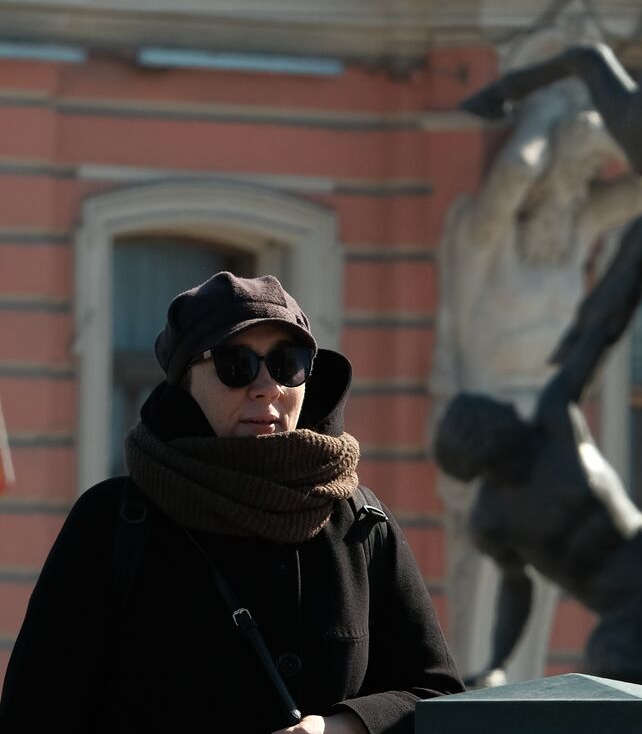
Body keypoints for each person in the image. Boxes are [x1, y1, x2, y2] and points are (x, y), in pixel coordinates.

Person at [0, 272, 464, 734]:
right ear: (185, 380)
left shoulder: (361, 521)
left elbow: (438, 697)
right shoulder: (112, 522)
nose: (266, 387)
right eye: (235, 365)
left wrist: (341, 728)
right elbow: (34, 715)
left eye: (287, 363)